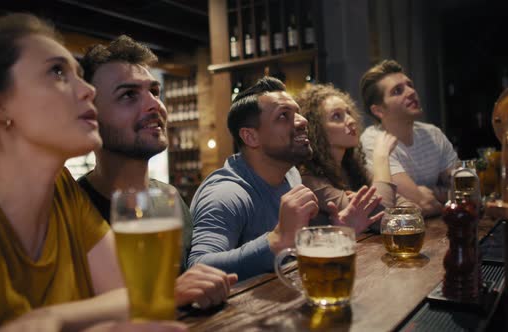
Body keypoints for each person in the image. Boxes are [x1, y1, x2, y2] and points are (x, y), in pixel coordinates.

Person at [0, 13, 187, 332]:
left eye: (78, 73)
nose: (87, 90)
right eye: (57, 72)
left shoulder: (63, 194)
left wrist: (52, 318)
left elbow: (129, 297)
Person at [77, 35, 237, 310]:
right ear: (92, 116)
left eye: (154, 91)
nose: (155, 105)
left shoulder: (169, 197)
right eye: (128, 95)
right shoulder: (72, 209)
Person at [188, 77, 383, 280]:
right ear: (250, 137)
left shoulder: (291, 174)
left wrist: (337, 235)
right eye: (283, 115)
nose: (302, 121)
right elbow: (197, 269)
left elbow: (291, 253)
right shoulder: (225, 194)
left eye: (297, 112)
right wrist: (275, 241)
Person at [296, 83, 415, 230]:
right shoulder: (310, 180)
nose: (351, 121)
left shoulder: (352, 167)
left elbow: (411, 209)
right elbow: (383, 219)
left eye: (348, 113)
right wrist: (381, 157)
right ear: (316, 129)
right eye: (337, 116)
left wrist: (367, 202)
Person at [359, 60, 458, 216]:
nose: (411, 92)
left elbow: (464, 191)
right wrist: (442, 196)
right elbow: (421, 203)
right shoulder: (375, 142)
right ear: (378, 110)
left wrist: (432, 193)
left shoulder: (433, 134)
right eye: (398, 91)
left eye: (410, 85)